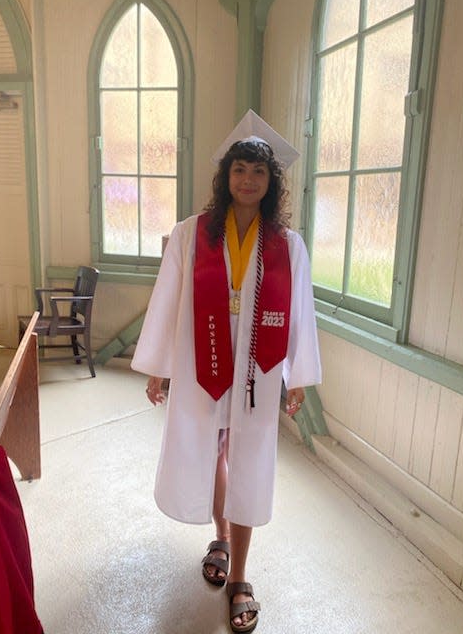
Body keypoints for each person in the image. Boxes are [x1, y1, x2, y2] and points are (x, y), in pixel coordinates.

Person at [131, 109, 321, 633]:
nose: (248, 180)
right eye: (239, 169)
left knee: (248, 459)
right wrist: (159, 367)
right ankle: (219, 534)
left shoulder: (288, 245)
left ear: (271, 181)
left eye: (258, 172)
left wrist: (298, 374)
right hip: (202, 357)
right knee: (211, 448)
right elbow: (168, 301)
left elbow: (301, 309)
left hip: (259, 364)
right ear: (226, 176)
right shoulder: (192, 234)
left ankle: (239, 574)